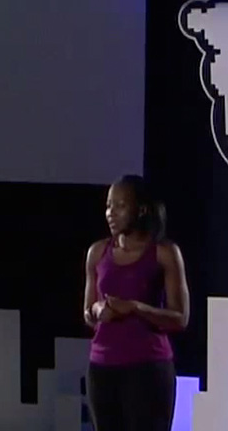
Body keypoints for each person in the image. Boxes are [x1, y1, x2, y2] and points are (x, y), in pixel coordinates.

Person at [82, 174, 190, 431]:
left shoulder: (164, 253)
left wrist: (134, 308)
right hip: (102, 369)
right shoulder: (97, 252)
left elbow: (180, 318)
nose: (111, 213)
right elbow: (88, 313)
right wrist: (97, 310)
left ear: (140, 210)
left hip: (148, 369)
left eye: (120, 206)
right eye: (108, 206)